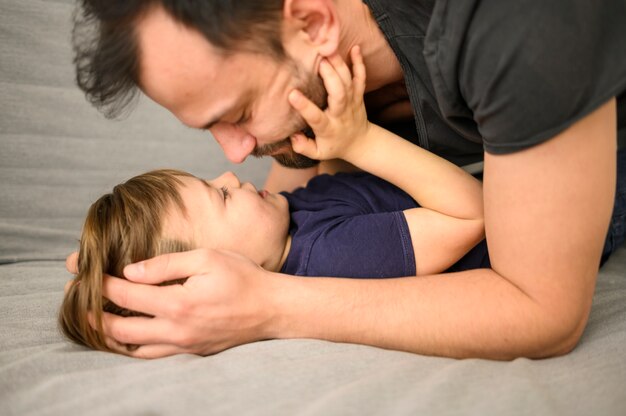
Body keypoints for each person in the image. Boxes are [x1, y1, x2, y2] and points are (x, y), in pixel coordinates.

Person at [67, 0, 626, 359]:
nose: (236, 158)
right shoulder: (311, 105)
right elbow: (293, 212)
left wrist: (265, 305)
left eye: (236, 114)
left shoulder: (517, 25)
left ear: (312, 23)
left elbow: (542, 310)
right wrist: (120, 268)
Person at [60, 51, 487, 353]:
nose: (230, 174)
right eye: (222, 196)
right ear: (221, 269)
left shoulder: (285, 219)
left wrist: (333, 136)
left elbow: (352, 195)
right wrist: (360, 140)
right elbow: (471, 215)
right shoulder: (331, 257)